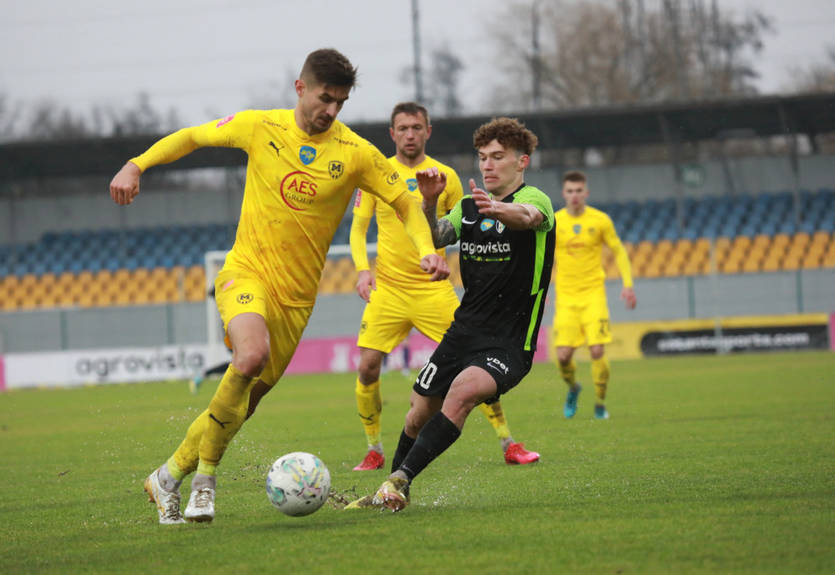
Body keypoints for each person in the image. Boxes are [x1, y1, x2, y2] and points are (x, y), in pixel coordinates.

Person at [109, 48, 449, 524]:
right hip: (247, 273)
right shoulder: (260, 126)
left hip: (296, 302)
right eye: (325, 98)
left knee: (243, 404)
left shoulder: (354, 153)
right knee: (249, 356)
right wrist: (136, 164)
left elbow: (406, 202)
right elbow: (192, 136)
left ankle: (167, 476)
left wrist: (426, 248)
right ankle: (205, 482)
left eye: (340, 102)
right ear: (300, 88)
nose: (331, 110)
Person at [346, 117, 555, 512]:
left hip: (509, 341)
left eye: (498, 157)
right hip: (463, 332)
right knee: (417, 414)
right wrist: (428, 204)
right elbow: (435, 237)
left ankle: (397, 481)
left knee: (462, 392)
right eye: (483, 157)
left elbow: (527, 217)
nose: (488, 164)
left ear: (522, 161)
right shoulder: (467, 209)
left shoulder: (537, 199)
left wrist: (498, 209)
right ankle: (391, 492)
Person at [552, 171, 636, 420]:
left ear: (586, 193)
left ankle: (600, 402)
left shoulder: (600, 220)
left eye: (579, 191)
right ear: (563, 194)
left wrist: (628, 284)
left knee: (597, 350)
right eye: (570, 191)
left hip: (593, 295)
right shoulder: (555, 222)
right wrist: (539, 290)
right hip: (566, 298)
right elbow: (543, 259)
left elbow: (618, 250)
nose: (574, 195)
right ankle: (573, 387)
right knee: (563, 356)